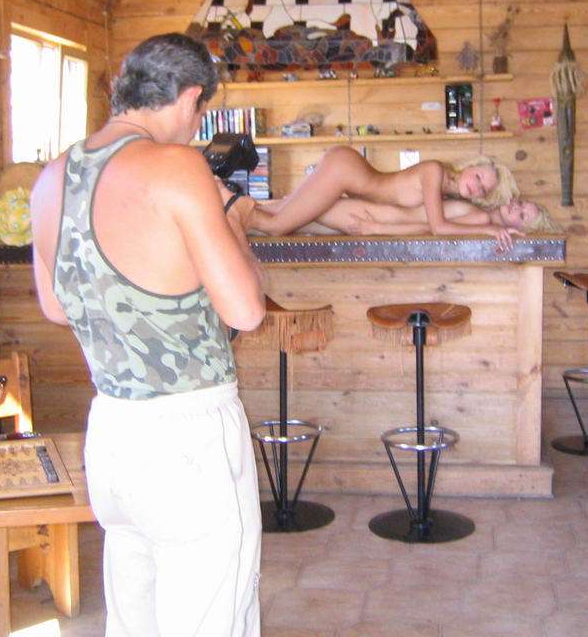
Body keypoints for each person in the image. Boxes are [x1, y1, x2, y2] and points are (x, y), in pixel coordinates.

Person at [30, 33, 265, 637]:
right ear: (189, 98)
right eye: (200, 111)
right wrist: (233, 220)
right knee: (211, 617)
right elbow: (246, 311)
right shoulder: (177, 167)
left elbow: (56, 306)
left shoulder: (52, 176)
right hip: (189, 433)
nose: (195, 126)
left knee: (135, 618)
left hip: (112, 431)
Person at [244, 148, 520, 239]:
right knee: (276, 226)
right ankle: (223, 208)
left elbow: (428, 225)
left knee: (272, 212)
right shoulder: (435, 172)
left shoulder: (444, 192)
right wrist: (489, 230)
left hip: (348, 178)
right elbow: (438, 227)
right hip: (345, 171)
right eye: (478, 177)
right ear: (471, 166)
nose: (476, 186)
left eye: (483, 189)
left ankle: (225, 206)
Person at [292, 196, 558, 239]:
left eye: (522, 216)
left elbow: (428, 228)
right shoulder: (482, 214)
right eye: (521, 204)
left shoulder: (480, 220)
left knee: (290, 212)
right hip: (375, 215)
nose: (516, 208)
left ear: (519, 228)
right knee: (291, 216)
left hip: (374, 217)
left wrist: (377, 228)